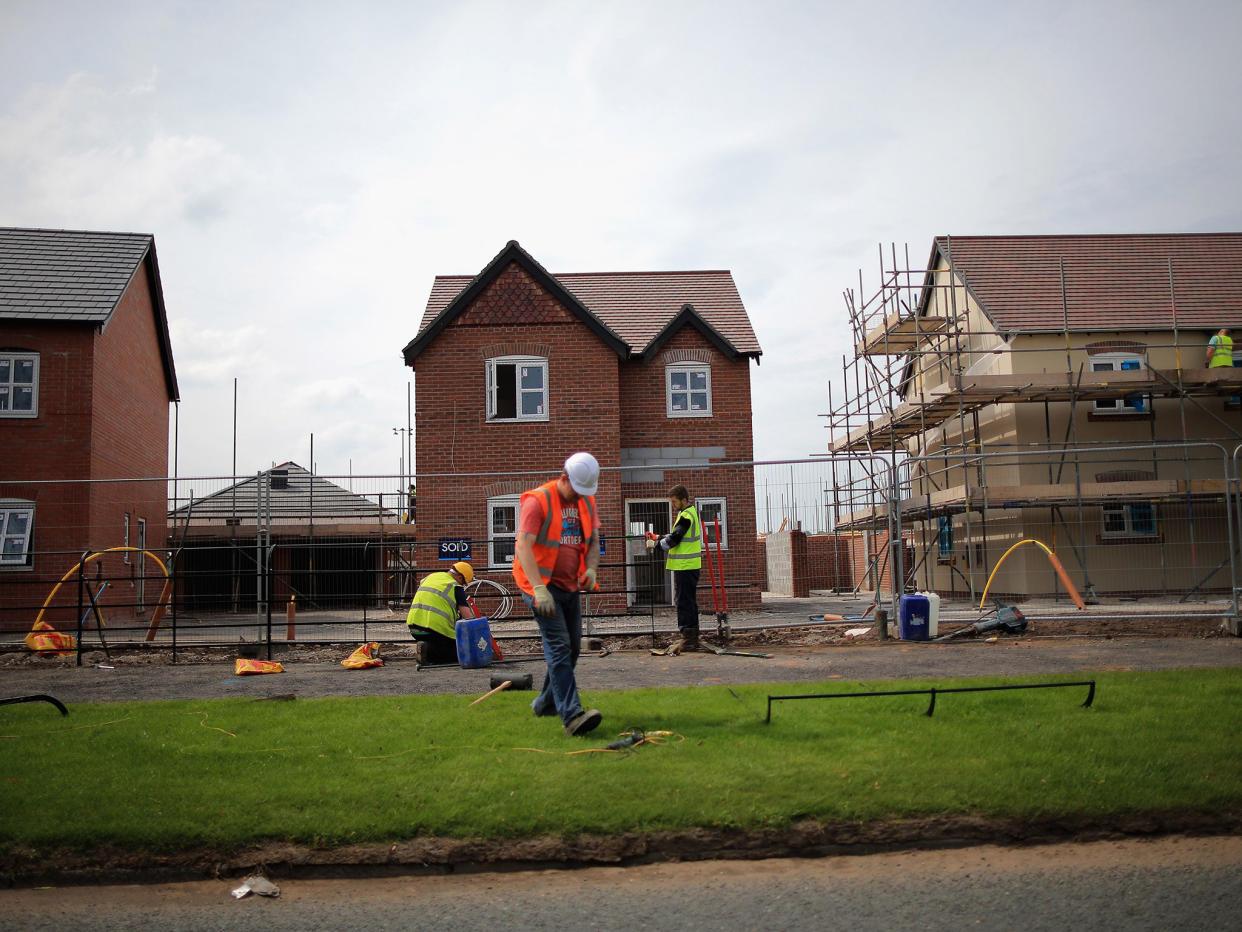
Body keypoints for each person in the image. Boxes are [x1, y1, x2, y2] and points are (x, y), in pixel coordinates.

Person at [513, 452, 603, 737]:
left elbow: (593, 540)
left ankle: (544, 704)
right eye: (576, 491)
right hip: (539, 586)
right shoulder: (538, 501)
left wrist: (590, 569)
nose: (579, 498)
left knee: (573, 649)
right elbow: (523, 546)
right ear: (564, 477)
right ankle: (572, 715)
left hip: (569, 585)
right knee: (559, 647)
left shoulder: (585, 500)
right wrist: (539, 589)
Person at [646, 485, 703, 654]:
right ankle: (689, 637)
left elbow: (676, 538)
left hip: (686, 566)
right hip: (687, 566)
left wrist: (656, 545)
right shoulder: (686, 514)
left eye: (674, 501)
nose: (672, 505)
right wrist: (659, 537)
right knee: (687, 600)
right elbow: (676, 535)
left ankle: (689, 639)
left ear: (684, 500)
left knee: (684, 601)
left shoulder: (686, 516)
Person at [406, 561, 475, 665]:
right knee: (460, 653)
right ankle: (428, 652)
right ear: (460, 578)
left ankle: (424, 648)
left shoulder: (431, 577)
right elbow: (468, 617)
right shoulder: (455, 586)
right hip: (434, 629)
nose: (462, 586)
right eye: (463, 583)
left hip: (414, 626)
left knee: (440, 644)